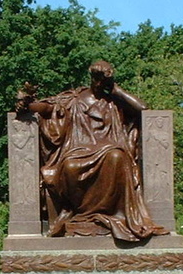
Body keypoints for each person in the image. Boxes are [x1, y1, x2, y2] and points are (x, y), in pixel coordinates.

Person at [17, 61, 168, 242]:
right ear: (91, 79)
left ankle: (110, 213)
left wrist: (117, 91)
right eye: (96, 79)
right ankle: (78, 212)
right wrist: (28, 106)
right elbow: (49, 108)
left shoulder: (113, 103)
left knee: (116, 156)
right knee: (70, 166)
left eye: (103, 80)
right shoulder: (74, 99)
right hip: (77, 150)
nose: (98, 84)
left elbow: (143, 109)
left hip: (110, 147)